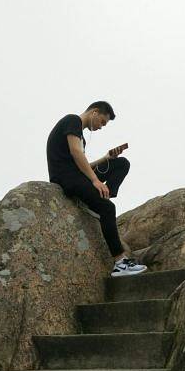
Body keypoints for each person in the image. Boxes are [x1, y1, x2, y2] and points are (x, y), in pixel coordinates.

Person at [46, 101, 147, 277]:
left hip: (76, 175)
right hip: (66, 179)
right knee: (108, 209)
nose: (101, 127)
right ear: (94, 112)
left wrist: (106, 158)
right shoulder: (72, 121)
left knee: (121, 163)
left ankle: (102, 197)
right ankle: (120, 263)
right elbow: (76, 154)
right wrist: (95, 181)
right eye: (102, 122)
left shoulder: (80, 135)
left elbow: (82, 163)